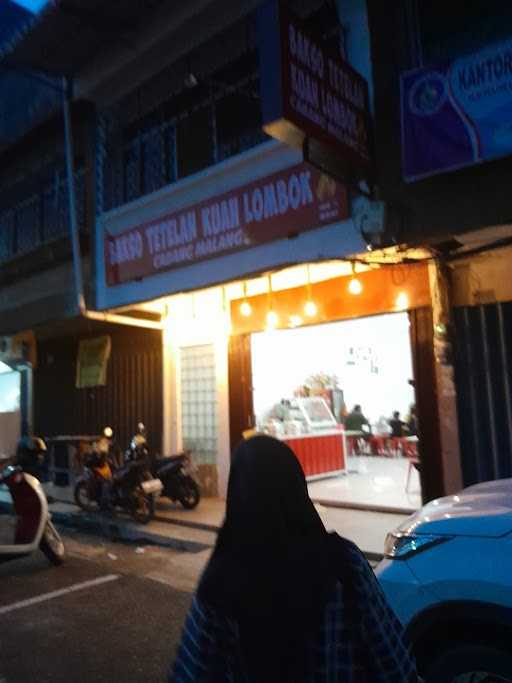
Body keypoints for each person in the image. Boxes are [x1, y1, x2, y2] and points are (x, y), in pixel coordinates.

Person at [169, 435, 417, 682]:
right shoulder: (344, 566)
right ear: (296, 486)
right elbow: (394, 664)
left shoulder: (219, 581)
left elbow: (191, 671)